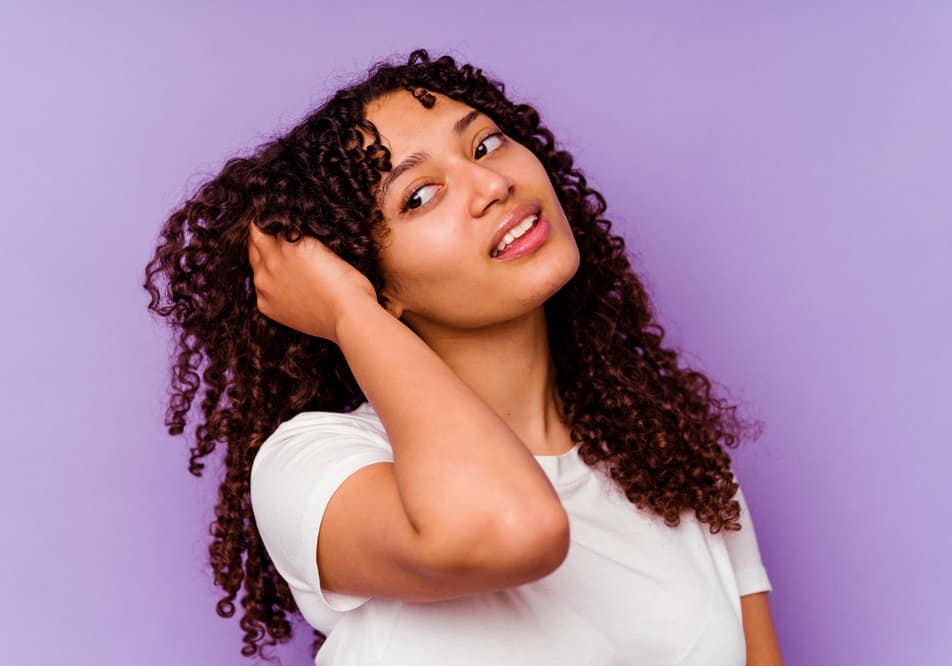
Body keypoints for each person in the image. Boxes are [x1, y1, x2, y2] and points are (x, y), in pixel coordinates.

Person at [144, 48, 784, 665]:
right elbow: (512, 528)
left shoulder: (670, 456)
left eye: (485, 144)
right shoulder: (319, 464)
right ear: (372, 280)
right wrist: (348, 311)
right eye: (419, 195)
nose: (491, 183)